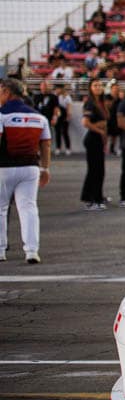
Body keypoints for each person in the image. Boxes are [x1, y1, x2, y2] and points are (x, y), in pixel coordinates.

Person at [0, 78, 52, 263]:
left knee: (1, 209)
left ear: (7, 92)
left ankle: (0, 250)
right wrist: (45, 168)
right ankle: (31, 251)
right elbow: (45, 145)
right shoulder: (39, 117)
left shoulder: (2, 115)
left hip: (4, 167)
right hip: (31, 168)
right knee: (28, 207)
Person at [80, 78, 109, 210]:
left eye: (100, 85)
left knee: (99, 170)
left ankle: (94, 195)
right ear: (90, 88)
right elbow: (85, 122)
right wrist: (99, 130)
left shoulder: (101, 103)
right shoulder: (90, 103)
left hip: (98, 139)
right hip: (92, 139)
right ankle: (94, 200)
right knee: (95, 170)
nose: (98, 87)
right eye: (95, 85)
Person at [53, 84, 72, 155]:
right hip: (57, 116)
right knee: (57, 132)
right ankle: (58, 148)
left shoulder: (67, 97)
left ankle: (68, 148)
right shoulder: (55, 96)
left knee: (65, 132)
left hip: (64, 116)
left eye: (58, 89)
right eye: (56, 89)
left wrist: (68, 116)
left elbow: (69, 107)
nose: (57, 90)